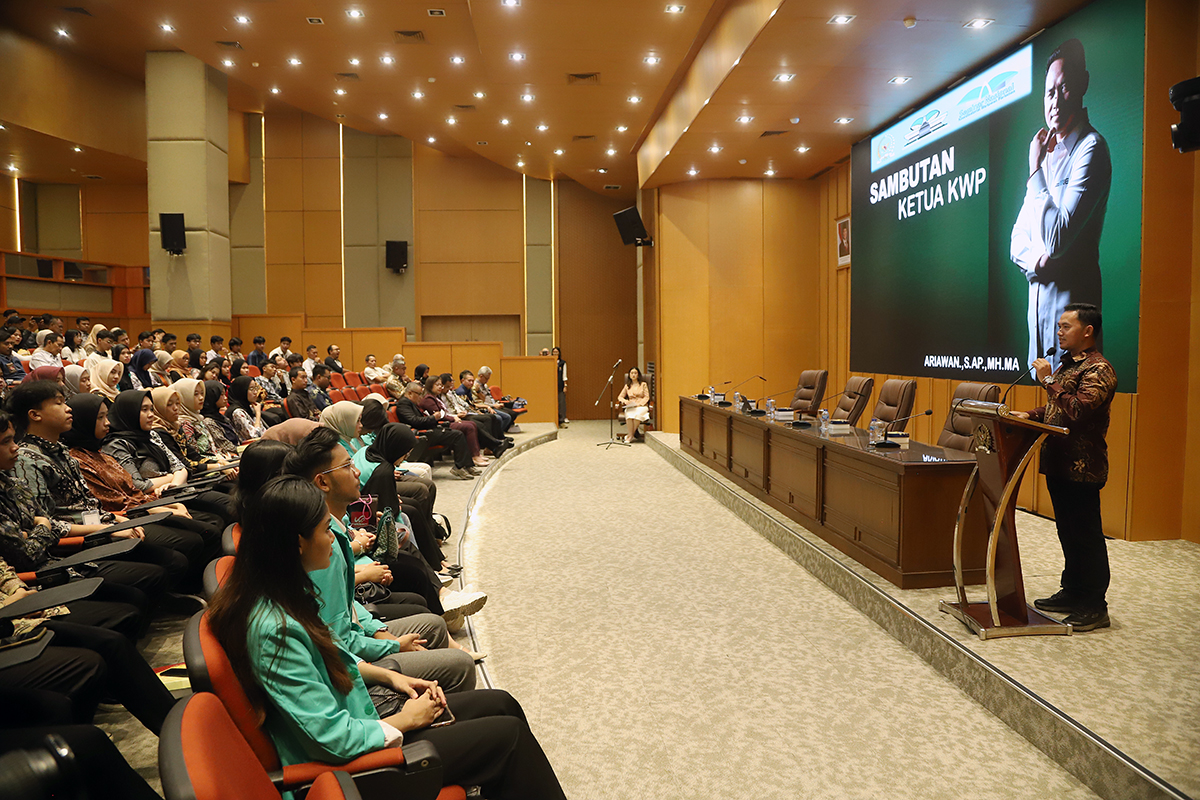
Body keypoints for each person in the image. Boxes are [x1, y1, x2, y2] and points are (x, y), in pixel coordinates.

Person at [207, 475, 565, 798]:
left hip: (362, 722)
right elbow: (330, 739)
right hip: (354, 769)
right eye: (324, 529)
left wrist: (394, 676)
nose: (334, 538)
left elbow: (331, 659)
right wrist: (407, 719)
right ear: (296, 543)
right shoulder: (274, 630)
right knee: (509, 740)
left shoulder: (281, 592)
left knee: (501, 703)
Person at [283, 431, 481, 685]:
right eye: (347, 466)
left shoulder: (327, 531)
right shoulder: (319, 550)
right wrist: (389, 647)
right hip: (354, 662)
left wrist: (379, 633)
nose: (356, 472)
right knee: (459, 665)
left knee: (428, 617)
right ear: (322, 483)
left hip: (358, 639)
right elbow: (339, 643)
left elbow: (347, 611)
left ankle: (443, 603)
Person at [1011, 303, 1116, 632]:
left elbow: (1077, 410)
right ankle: (1072, 592)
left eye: (1066, 326)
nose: (1059, 331)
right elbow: (1058, 408)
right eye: (1058, 326)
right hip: (1059, 463)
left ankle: (1095, 605)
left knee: (1086, 536)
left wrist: (1048, 380)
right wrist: (1030, 415)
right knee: (1067, 532)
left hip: (1083, 467)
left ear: (1087, 331)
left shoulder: (1099, 370)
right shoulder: (1070, 366)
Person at [1010, 38, 1111, 374]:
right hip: (1039, 341)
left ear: (1082, 84)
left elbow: (1056, 238)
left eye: (1063, 88)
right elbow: (1016, 241)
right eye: (1048, 92)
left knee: (1075, 419)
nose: (1053, 101)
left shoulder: (1091, 149)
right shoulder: (1049, 156)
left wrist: (1034, 169)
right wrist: (1039, 263)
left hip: (1073, 343)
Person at [394, 381, 475, 480]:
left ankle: (466, 465)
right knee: (457, 435)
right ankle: (460, 467)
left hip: (428, 430)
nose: (421, 397)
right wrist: (434, 417)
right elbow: (414, 421)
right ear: (410, 393)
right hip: (422, 434)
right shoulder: (404, 404)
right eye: (419, 394)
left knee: (457, 433)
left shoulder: (411, 403)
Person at [199, 380, 242, 458]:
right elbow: (226, 446)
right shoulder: (208, 421)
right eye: (221, 394)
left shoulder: (222, 417)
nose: (225, 398)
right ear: (212, 396)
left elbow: (237, 439)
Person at [226, 376, 268, 442]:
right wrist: (258, 414)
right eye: (251, 389)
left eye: (256, 388)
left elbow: (264, 432)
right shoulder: (237, 412)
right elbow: (254, 436)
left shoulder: (248, 407)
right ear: (242, 391)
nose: (255, 392)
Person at [616, 366, 651, 443]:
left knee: (637, 415)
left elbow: (647, 397)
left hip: (642, 406)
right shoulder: (627, 386)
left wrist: (640, 404)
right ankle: (631, 435)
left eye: (635, 373)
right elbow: (620, 397)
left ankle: (630, 435)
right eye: (632, 373)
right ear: (629, 375)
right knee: (629, 416)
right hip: (631, 406)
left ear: (638, 375)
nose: (633, 375)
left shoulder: (643, 384)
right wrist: (626, 401)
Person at [552, 346, 568, 426]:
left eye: (556, 352)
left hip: (560, 385)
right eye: (554, 352)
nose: (555, 353)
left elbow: (564, 375)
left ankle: (562, 418)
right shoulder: (550, 362)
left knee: (561, 402)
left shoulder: (562, 363)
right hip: (551, 386)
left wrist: (565, 385)